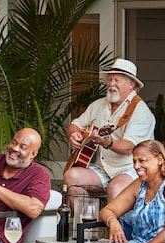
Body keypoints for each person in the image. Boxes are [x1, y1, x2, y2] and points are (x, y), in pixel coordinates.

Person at [63, 58, 155, 202]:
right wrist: (74, 134)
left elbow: (130, 146)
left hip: (132, 168)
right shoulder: (99, 105)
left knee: (115, 187)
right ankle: (84, 223)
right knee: (71, 177)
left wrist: (108, 143)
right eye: (110, 80)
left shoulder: (140, 110)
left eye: (117, 80)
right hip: (103, 168)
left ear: (131, 84)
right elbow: (76, 124)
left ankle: (114, 225)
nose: (111, 84)